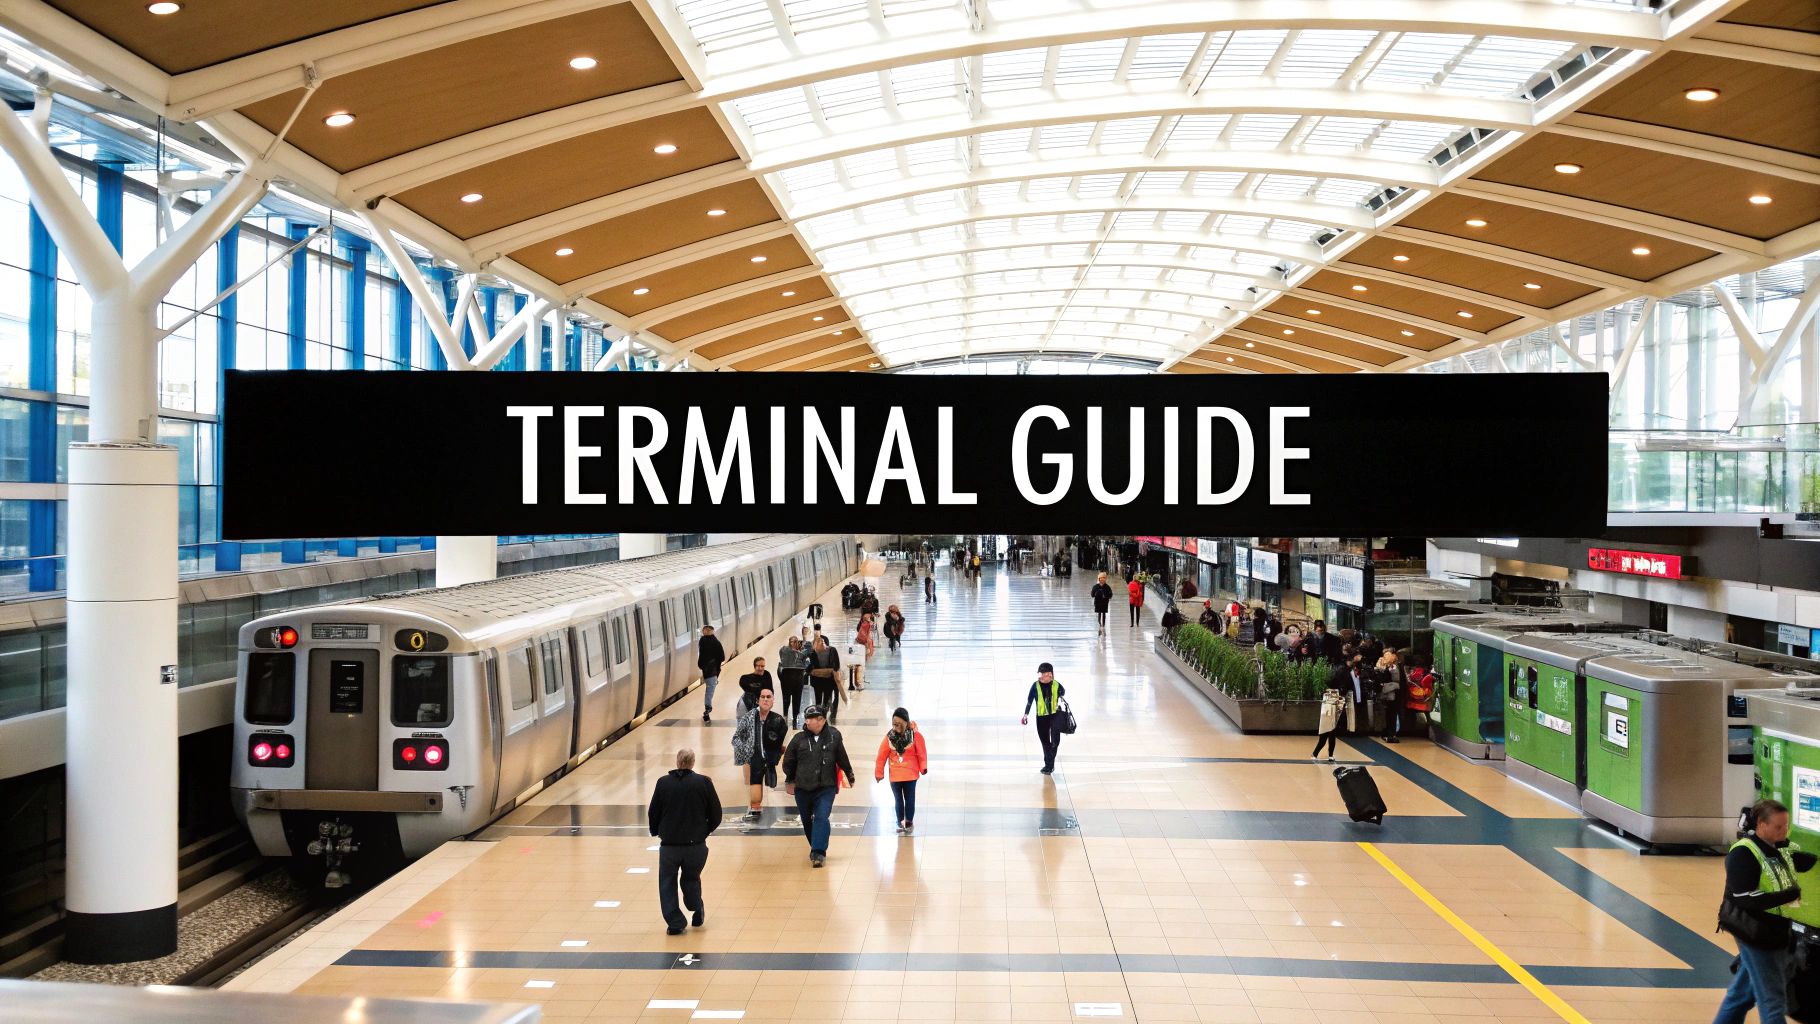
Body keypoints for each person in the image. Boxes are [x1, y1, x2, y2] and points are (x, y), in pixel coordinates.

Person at [1713, 799, 1818, 1024]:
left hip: (1774, 930)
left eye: (1786, 826)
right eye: (1778, 826)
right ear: (1761, 824)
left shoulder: (1779, 847)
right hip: (1755, 933)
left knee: (1741, 995)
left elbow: (1801, 862)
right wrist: (1789, 895)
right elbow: (1745, 899)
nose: (1784, 831)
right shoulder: (1743, 853)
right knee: (1773, 1000)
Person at [646, 748, 721, 934]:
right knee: (691, 879)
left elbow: (653, 812)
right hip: (696, 845)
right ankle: (696, 907)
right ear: (693, 762)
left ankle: (675, 922)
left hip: (670, 846)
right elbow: (716, 812)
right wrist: (705, 831)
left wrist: (656, 831)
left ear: (677, 761)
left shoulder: (663, 783)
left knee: (667, 882)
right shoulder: (703, 782)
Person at [782, 705, 854, 868]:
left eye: (811, 718)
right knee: (808, 821)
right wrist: (791, 778)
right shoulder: (798, 739)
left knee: (821, 817)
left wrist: (849, 773)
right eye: (806, 718)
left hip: (825, 787)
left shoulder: (834, 736)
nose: (807, 721)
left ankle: (818, 852)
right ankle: (817, 845)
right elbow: (788, 761)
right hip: (803, 788)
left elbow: (841, 756)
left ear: (821, 720)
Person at [731, 687, 788, 822]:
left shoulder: (778, 720)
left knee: (769, 781)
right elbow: (736, 738)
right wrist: (746, 751)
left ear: (773, 700)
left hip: (770, 760)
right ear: (758, 700)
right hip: (753, 758)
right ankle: (755, 808)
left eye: (769, 697)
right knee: (755, 785)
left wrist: (776, 757)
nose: (765, 700)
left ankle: (757, 806)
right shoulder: (748, 718)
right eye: (763, 697)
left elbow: (781, 744)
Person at [874, 707, 929, 834]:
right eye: (894, 724)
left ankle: (908, 822)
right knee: (898, 799)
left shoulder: (915, 736)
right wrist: (879, 772)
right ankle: (901, 822)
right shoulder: (889, 737)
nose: (896, 727)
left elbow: (922, 753)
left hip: (910, 774)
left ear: (907, 723)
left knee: (909, 799)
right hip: (895, 776)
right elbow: (881, 755)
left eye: (899, 724)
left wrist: (923, 767)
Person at [1020, 662, 1067, 775]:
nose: (1040, 675)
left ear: (1050, 674)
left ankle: (1049, 765)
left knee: (1055, 743)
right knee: (1045, 743)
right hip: (1041, 719)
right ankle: (1049, 765)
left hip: (1055, 717)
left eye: (1043, 673)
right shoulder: (1035, 686)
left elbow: (1063, 692)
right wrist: (1025, 714)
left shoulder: (1056, 684)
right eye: (1040, 673)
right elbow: (1029, 701)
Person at [806, 635, 842, 725]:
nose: (821, 643)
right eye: (817, 642)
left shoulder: (832, 650)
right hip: (817, 681)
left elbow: (836, 665)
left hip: (828, 680)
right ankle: (819, 718)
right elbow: (808, 668)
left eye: (822, 641)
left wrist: (831, 672)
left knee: (826, 700)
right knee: (818, 701)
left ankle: (824, 718)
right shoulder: (812, 653)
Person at [697, 624, 725, 723]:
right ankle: (707, 711)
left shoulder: (702, 641)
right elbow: (722, 657)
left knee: (710, 689)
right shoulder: (716, 642)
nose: (706, 632)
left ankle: (707, 710)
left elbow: (701, 657)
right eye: (706, 630)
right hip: (713, 671)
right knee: (710, 690)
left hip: (707, 670)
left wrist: (701, 665)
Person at [1375, 650, 1405, 743]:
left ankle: (1391, 733)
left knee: (1391, 714)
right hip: (1390, 695)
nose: (1384, 658)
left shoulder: (1393, 667)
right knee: (1390, 715)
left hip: (1393, 695)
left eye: (1386, 656)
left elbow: (1396, 681)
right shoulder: (1388, 668)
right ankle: (1389, 733)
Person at [777, 637, 807, 728]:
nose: (793, 643)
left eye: (795, 641)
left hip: (798, 679)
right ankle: (785, 715)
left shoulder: (802, 652)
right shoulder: (784, 650)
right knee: (786, 699)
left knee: (797, 700)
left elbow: (805, 663)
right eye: (791, 641)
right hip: (786, 679)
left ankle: (795, 717)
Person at [1312, 682, 1346, 762]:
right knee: (1324, 738)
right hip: (1327, 718)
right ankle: (1315, 753)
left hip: (1332, 718)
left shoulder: (1333, 696)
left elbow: (1340, 706)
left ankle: (1330, 755)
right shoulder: (1327, 696)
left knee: (1331, 737)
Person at [1403, 657, 1434, 736]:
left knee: (1411, 714)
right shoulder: (1427, 672)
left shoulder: (1413, 673)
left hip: (1413, 698)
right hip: (1425, 697)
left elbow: (1409, 682)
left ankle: (1410, 729)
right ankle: (1429, 729)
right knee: (1427, 714)